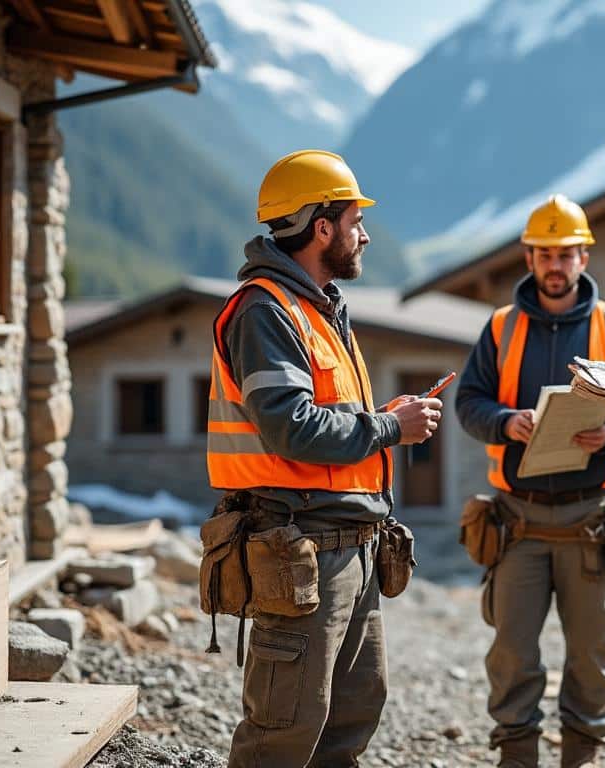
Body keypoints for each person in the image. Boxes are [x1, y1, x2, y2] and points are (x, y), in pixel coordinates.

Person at [208, 149, 442, 767]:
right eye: (354, 220)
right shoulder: (266, 311)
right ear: (321, 229)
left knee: (352, 714)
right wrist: (390, 426)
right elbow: (291, 427)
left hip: (347, 545)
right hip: (302, 547)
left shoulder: (317, 306)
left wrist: (380, 420)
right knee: (283, 731)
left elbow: (325, 417)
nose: (363, 233)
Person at [456, 194, 605, 768]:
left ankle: (582, 758)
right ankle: (517, 758)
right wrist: (505, 422)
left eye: (566, 254)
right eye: (545, 254)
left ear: (583, 257)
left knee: (593, 655)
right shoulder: (500, 328)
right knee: (512, 655)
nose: (555, 265)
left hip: (591, 521)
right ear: (528, 257)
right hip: (518, 523)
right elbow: (467, 403)